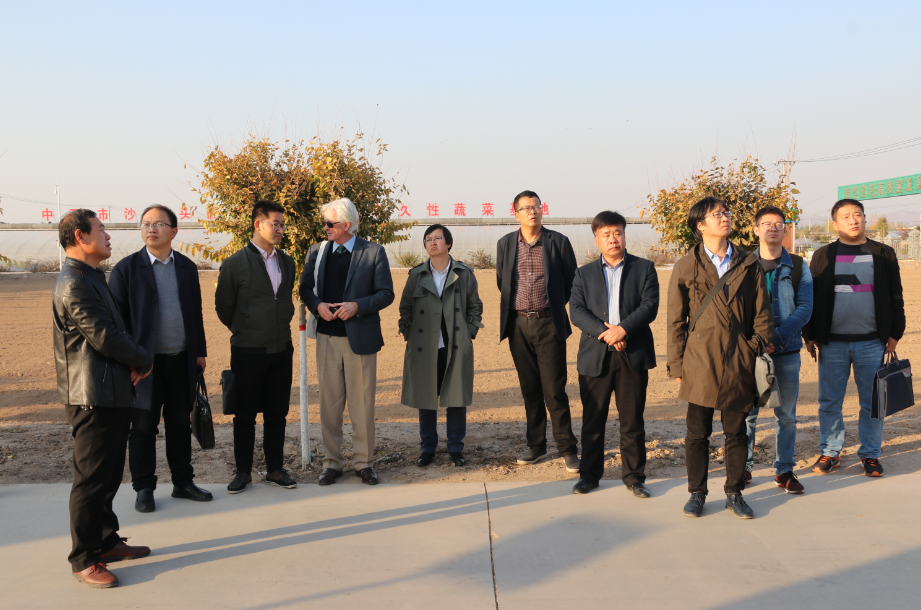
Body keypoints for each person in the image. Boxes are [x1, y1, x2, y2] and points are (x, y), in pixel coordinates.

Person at [53, 209, 153, 588]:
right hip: (91, 394)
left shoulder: (91, 276)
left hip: (109, 389)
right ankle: (83, 558)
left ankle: (106, 540)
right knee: (91, 480)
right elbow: (104, 336)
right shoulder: (73, 283)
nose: (108, 236)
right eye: (101, 229)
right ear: (80, 236)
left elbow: (114, 329)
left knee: (109, 475)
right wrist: (143, 359)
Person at [666, 197, 773, 519]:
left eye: (726, 212)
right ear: (701, 225)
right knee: (697, 433)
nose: (725, 217)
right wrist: (677, 364)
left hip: (739, 358)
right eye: (717, 214)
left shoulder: (748, 262)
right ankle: (697, 493)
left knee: (736, 431)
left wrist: (754, 345)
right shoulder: (686, 265)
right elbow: (675, 320)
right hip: (700, 359)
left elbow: (763, 312)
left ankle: (734, 492)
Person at [109, 204, 212, 512]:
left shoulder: (187, 267)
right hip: (143, 366)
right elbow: (116, 322)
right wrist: (129, 361)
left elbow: (195, 312)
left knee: (180, 425)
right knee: (143, 428)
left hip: (182, 361)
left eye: (158, 223)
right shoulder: (127, 269)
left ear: (174, 231)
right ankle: (144, 489)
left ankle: (183, 482)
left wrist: (200, 351)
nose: (151, 228)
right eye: (146, 224)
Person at [803, 198, 905, 478]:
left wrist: (895, 333)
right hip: (832, 343)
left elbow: (896, 295)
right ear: (835, 223)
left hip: (872, 342)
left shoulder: (883, 253)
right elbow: (810, 298)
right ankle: (831, 451)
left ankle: (870, 454)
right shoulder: (823, 255)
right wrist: (809, 335)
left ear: (864, 218)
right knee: (829, 402)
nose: (853, 220)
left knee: (872, 402)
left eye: (857, 214)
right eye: (846, 216)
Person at [300, 198, 395, 486]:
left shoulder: (373, 252)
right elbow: (305, 288)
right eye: (324, 223)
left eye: (330, 223)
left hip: (361, 340)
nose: (325, 228)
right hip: (327, 339)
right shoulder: (316, 251)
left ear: (347, 225)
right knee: (329, 406)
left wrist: (357, 306)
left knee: (362, 405)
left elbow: (386, 293)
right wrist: (317, 305)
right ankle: (332, 463)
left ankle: (364, 463)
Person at [569, 211, 659, 497]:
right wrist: (607, 333)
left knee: (632, 421)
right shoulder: (583, 273)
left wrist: (623, 331)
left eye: (617, 232)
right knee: (593, 421)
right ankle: (589, 476)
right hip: (595, 356)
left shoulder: (644, 268)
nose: (613, 239)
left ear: (624, 235)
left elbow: (649, 307)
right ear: (596, 240)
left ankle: (634, 477)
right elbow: (577, 311)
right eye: (606, 234)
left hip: (633, 354)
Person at [215, 200, 297, 493]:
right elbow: (223, 306)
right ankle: (243, 472)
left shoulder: (287, 262)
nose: (280, 229)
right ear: (257, 224)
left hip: (281, 349)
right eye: (275, 224)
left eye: (283, 225)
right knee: (245, 414)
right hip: (248, 350)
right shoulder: (235, 263)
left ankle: (275, 469)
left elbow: (283, 299)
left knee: (277, 413)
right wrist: (244, 328)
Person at [496, 190, 580, 472]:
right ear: (515, 213)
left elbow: (571, 281)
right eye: (526, 208)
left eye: (536, 206)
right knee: (529, 389)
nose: (532, 211)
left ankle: (567, 448)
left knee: (554, 390)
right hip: (518, 325)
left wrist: (552, 305)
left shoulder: (558, 241)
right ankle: (536, 446)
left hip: (548, 323)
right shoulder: (505, 243)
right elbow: (502, 281)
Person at [398, 224, 484, 467]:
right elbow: (405, 308)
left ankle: (456, 447)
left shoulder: (464, 273)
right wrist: (409, 333)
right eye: (428, 239)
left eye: (437, 238)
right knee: (426, 398)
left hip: (454, 345)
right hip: (424, 346)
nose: (432, 242)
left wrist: (469, 333)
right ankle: (427, 448)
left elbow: (475, 306)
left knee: (456, 398)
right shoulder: (416, 275)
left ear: (448, 243)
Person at [743, 206, 813, 494]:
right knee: (747, 414)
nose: (773, 227)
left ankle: (784, 470)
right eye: (766, 223)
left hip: (787, 352)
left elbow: (805, 307)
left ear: (785, 230)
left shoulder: (798, 265)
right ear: (756, 230)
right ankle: (743, 467)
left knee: (786, 415)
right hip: (751, 353)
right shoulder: (743, 265)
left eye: (778, 224)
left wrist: (778, 338)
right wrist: (758, 341)